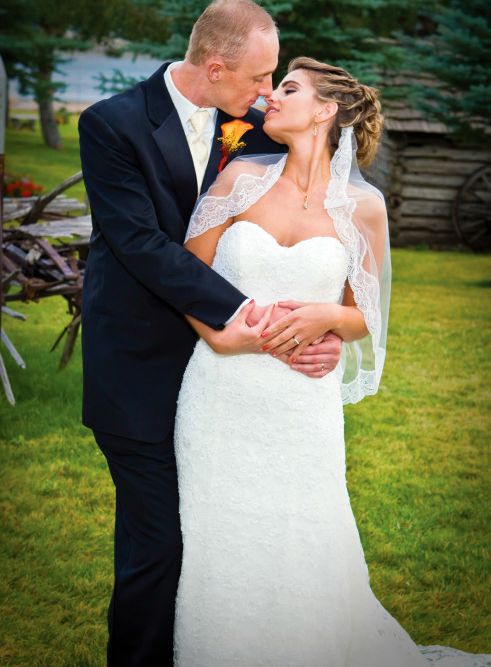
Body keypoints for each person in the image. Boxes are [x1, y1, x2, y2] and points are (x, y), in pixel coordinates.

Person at [173, 57, 491, 667]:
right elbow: (183, 275)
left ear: (325, 112)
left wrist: (327, 320)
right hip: (220, 392)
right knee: (219, 537)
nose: (270, 97)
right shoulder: (237, 179)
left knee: (302, 535)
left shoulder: (362, 208)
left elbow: (363, 314)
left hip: (301, 401)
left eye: (287, 89)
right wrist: (217, 337)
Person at [78, 0, 342, 667]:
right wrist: (245, 317)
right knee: (158, 545)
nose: (266, 94)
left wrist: (325, 319)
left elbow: (310, 216)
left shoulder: (255, 125)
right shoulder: (112, 125)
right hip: (137, 369)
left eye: (274, 80)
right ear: (215, 67)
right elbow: (140, 244)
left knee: (225, 538)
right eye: (259, 79)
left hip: (233, 388)